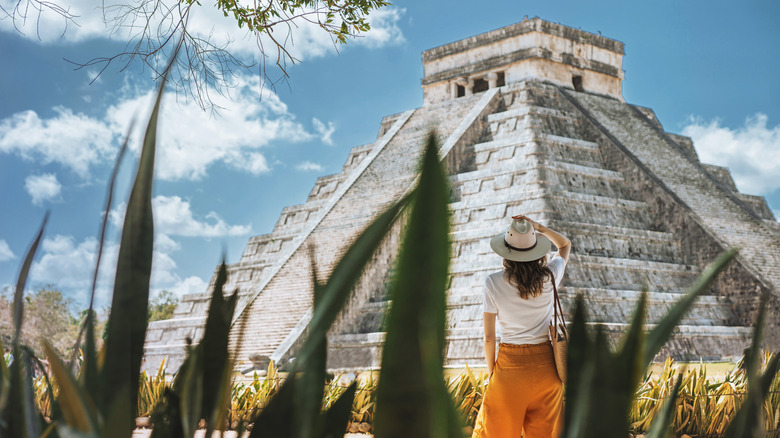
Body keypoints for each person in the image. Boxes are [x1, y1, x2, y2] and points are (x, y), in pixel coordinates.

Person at [472, 214, 571, 438]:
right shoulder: (550, 276)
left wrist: (493, 374)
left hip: (509, 372)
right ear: (537, 251)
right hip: (547, 371)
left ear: (506, 252)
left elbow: (489, 338)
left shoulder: (493, 282)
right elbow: (564, 245)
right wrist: (539, 228)